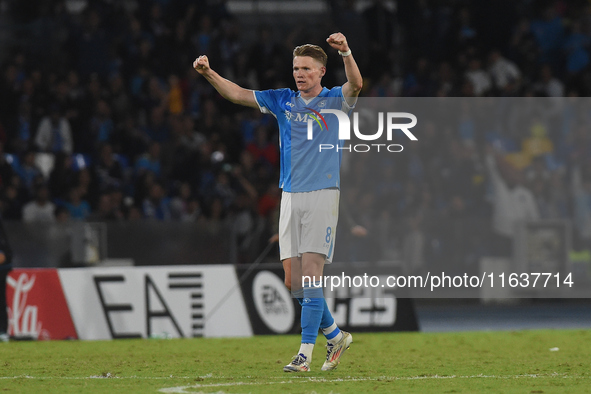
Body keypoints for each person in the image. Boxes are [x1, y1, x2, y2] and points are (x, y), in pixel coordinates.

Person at [193, 32, 362, 372]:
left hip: (322, 195)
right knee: (293, 281)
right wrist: (209, 73)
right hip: (290, 195)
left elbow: (356, 84)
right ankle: (335, 335)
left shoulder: (333, 100)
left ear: (321, 73)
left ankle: (304, 354)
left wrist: (346, 52)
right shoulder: (282, 100)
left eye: (307, 69)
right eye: (296, 67)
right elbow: (238, 94)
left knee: (312, 276)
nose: (299, 74)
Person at [0, 217, 13, 342]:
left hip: (1, 269)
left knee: (1, 299)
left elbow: (5, 254)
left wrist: (5, 256)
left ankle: (2, 331)